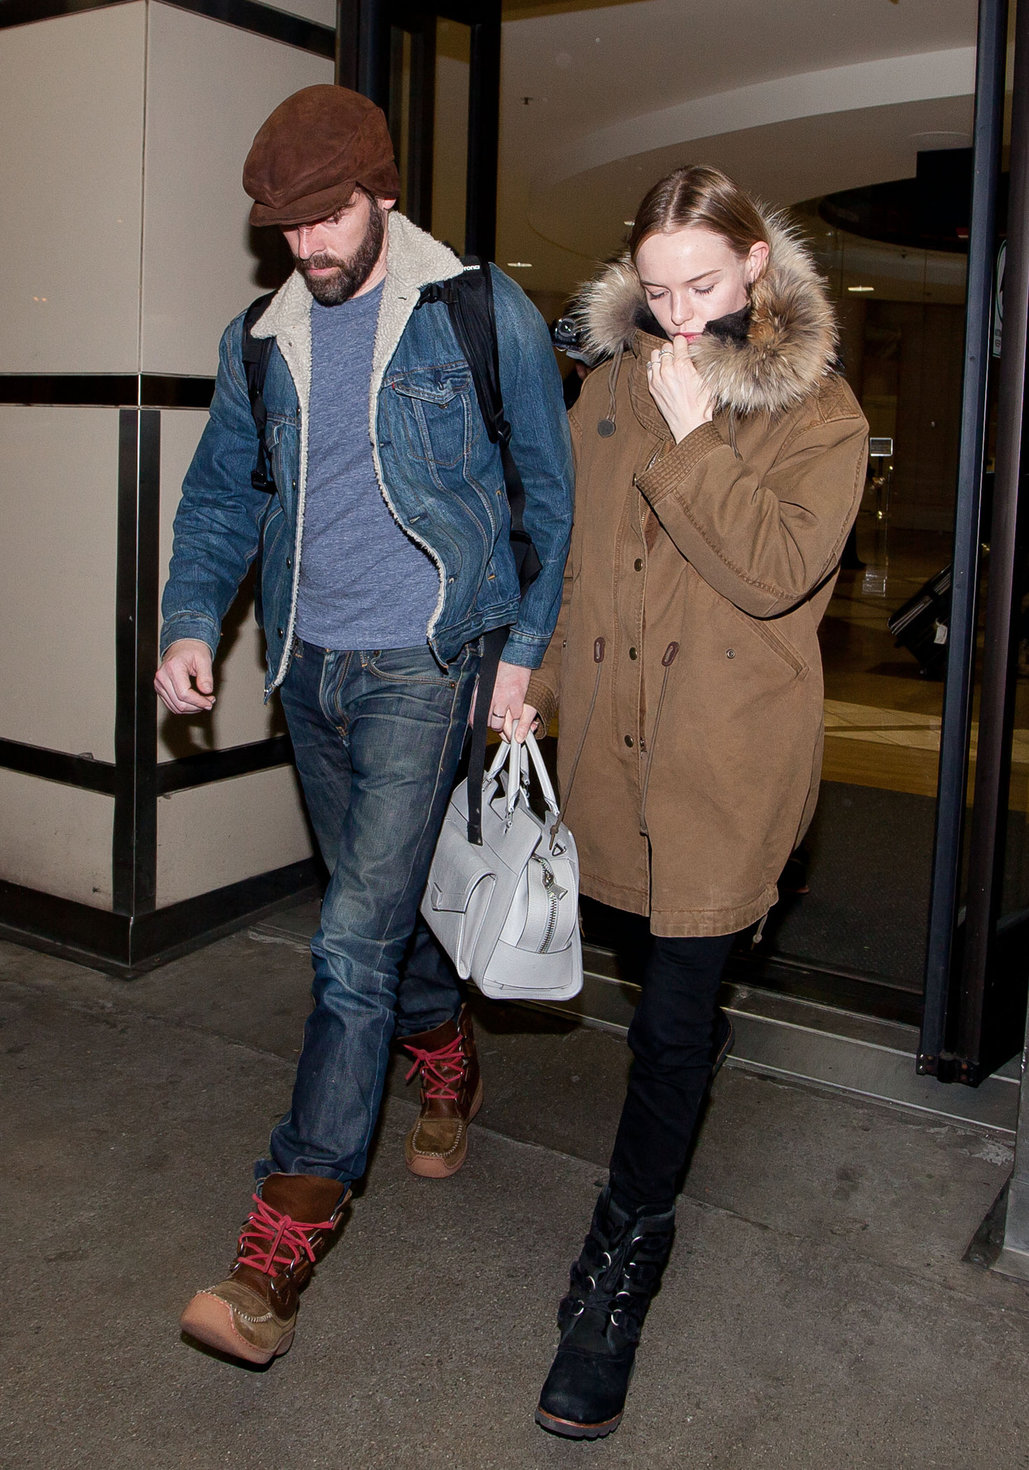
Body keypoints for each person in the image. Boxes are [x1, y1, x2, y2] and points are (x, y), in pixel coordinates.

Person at [155, 84, 572, 1367]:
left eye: (329, 218)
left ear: (382, 194)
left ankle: (276, 1251)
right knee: (375, 916)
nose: (312, 248)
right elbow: (223, 496)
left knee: (344, 946)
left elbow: (548, 501)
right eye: (287, 229)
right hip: (311, 670)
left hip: (427, 666)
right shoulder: (259, 342)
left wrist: (523, 656)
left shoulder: (476, 311)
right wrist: (186, 621)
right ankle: (442, 1052)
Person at [523, 164, 868, 1439]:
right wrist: (534, 681)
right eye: (657, 290)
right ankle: (693, 1036)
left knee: (667, 1027)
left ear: (757, 269)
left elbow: (776, 574)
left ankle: (623, 1261)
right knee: (641, 968)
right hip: (611, 750)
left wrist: (692, 437)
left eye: (705, 286)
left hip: (726, 764)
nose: (677, 317)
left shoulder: (819, 414)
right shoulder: (609, 387)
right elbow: (568, 564)